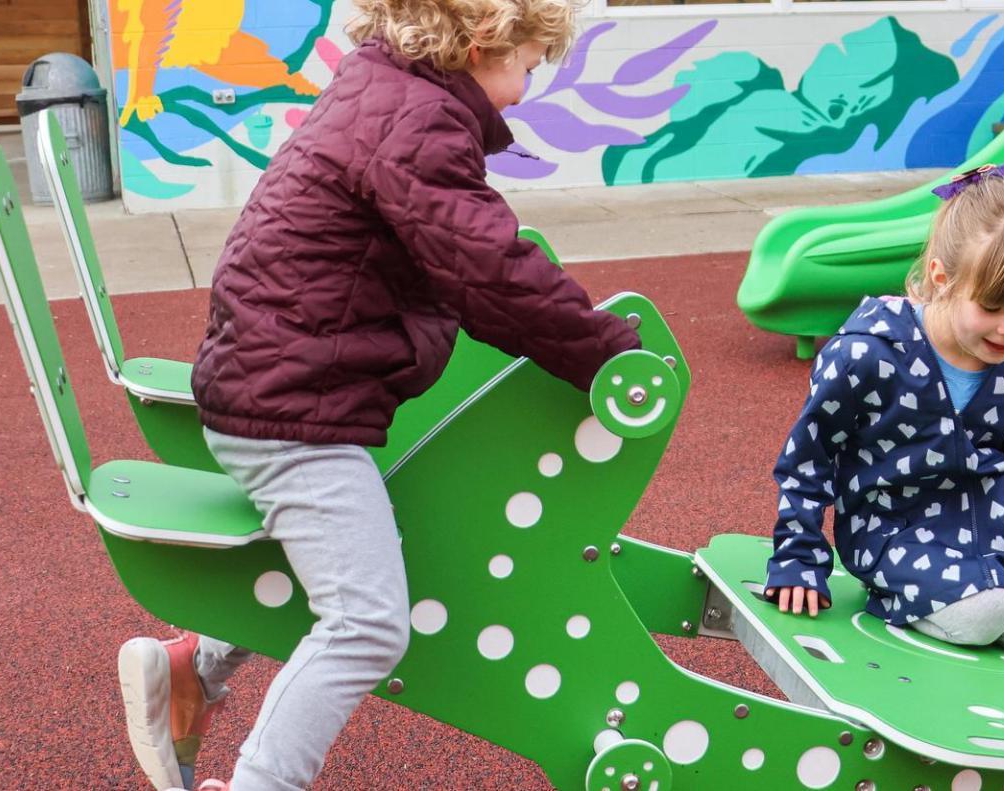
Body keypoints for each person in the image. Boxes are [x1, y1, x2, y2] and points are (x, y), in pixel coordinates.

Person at [114, 2, 642, 789]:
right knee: (367, 623)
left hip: (281, 382)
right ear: (482, 43)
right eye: (528, 66)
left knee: (365, 548)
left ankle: (194, 664)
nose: (527, 91)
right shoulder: (419, 121)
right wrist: (607, 352)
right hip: (294, 410)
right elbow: (489, 270)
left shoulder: (383, 87)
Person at [762, 164, 1004, 654]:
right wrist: (799, 559)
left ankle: (976, 599)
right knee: (985, 614)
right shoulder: (867, 355)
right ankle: (898, 600)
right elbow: (808, 459)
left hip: (987, 537)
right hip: (891, 532)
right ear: (941, 277)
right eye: (992, 307)